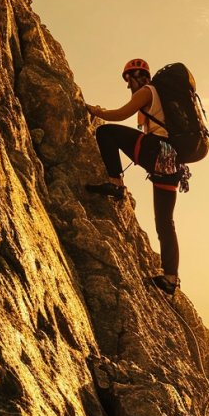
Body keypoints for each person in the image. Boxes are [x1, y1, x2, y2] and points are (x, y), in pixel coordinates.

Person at [85, 58, 187, 295]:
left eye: (127, 79)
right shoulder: (161, 94)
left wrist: (96, 111)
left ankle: (115, 183)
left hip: (156, 151)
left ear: (133, 76)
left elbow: (121, 115)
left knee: (106, 132)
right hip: (171, 162)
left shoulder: (147, 91)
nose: (128, 84)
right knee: (165, 222)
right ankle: (170, 278)